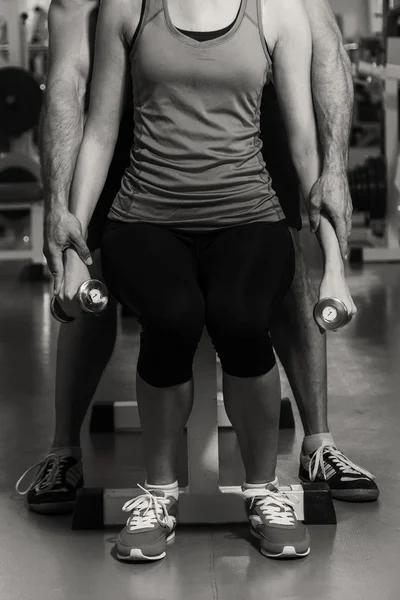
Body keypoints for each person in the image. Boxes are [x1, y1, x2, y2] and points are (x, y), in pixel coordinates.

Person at [15, 0, 378, 549]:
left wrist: (335, 260)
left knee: (242, 313)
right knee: (173, 315)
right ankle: (140, 484)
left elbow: (310, 123)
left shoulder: (275, 10)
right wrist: (69, 228)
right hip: (148, 206)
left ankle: (276, 480)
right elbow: (86, 109)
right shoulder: (124, 8)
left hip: (247, 201)